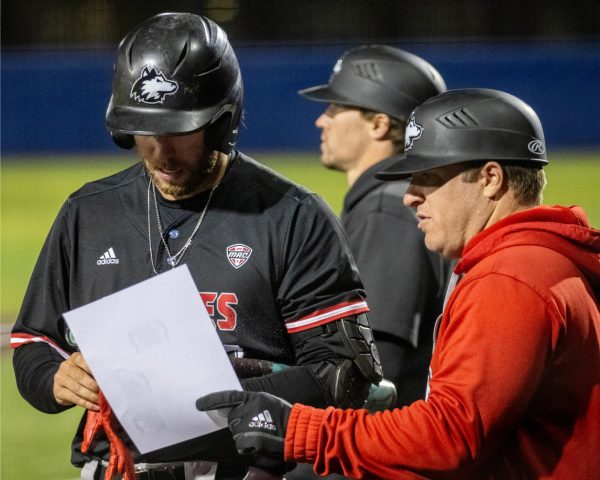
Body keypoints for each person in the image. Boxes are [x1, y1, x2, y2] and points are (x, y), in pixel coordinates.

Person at [10, 13, 382, 480]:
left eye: (177, 130)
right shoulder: (88, 213)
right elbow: (33, 341)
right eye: (145, 130)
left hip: (250, 468)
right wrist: (55, 378)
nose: (160, 152)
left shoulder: (291, 215)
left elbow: (343, 374)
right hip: (116, 467)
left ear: (221, 121)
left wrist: (221, 402)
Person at [198, 88, 600, 479]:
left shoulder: (509, 278)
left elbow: (448, 438)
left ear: (490, 178)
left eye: (429, 177)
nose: (410, 196)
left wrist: (297, 430)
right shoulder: (542, 262)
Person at [298, 45, 452, 408]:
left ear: (379, 124)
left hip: (378, 453)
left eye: (336, 108)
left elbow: (377, 369)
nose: (323, 120)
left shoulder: (388, 210)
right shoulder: (390, 200)